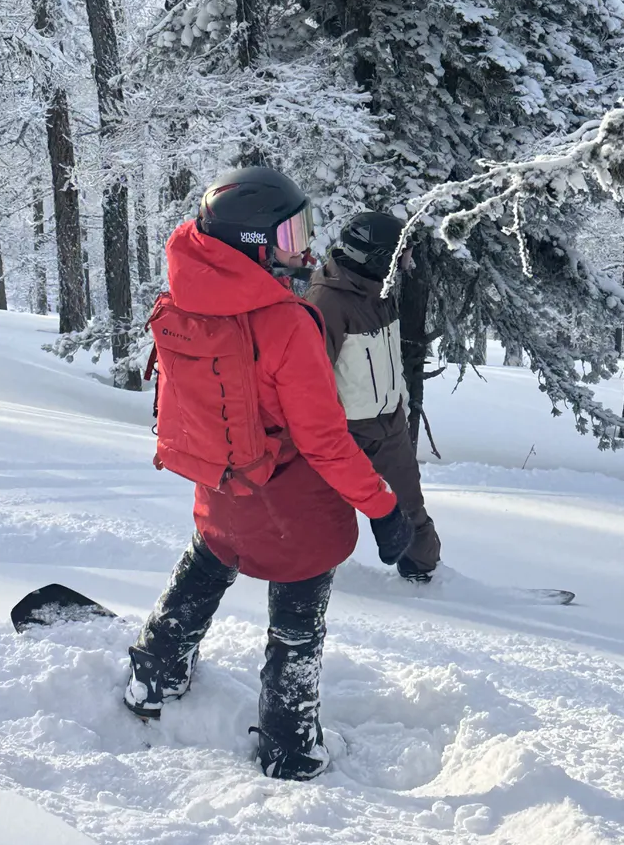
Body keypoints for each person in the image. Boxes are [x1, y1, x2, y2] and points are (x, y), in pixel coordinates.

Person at [125, 166, 413, 781]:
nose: (303, 248)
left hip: (223, 491)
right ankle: (289, 744)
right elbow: (326, 442)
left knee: (204, 568)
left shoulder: (183, 299)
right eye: (288, 236)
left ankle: (154, 674)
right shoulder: (285, 324)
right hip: (293, 507)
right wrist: (383, 507)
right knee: (297, 625)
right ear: (252, 244)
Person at [305, 211, 443, 583]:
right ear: (377, 257)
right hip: (347, 432)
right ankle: (307, 576)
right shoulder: (326, 304)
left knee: (411, 508)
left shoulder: (379, 292)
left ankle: (425, 576)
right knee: (323, 514)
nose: (407, 263)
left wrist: (400, 400)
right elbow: (310, 381)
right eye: (401, 255)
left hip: (390, 424)